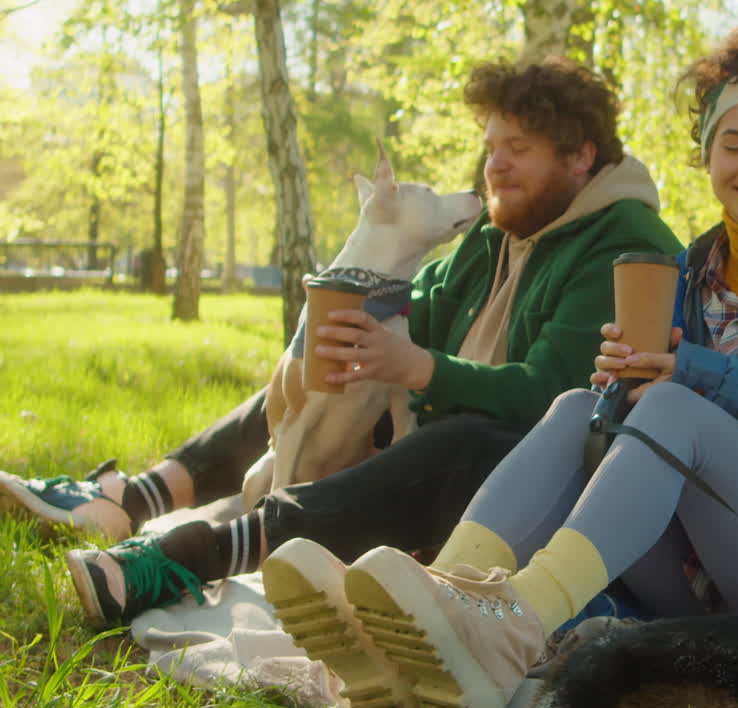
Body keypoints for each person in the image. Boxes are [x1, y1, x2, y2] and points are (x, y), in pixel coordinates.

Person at [261, 23, 738, 708]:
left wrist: (699, 377)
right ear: (707, 153)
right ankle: (437, 602)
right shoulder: (686, 273)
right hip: (705, 577)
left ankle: (514, 626)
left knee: (674, 408)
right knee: (576, 408)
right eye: (736, 144)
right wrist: (617, 396)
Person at [0, 56, 683, 626]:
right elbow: (420, 307)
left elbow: (555, 400)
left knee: (465, 439)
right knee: (339, 362)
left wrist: (419, 369)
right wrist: (352, 328)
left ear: (580, 156)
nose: (495, 166)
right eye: (491, 147)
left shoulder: (622, 244)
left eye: (519, 149)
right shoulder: (502, 228)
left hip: (535, 494)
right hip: (436, 450)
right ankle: (135, 498)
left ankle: (195, 556)